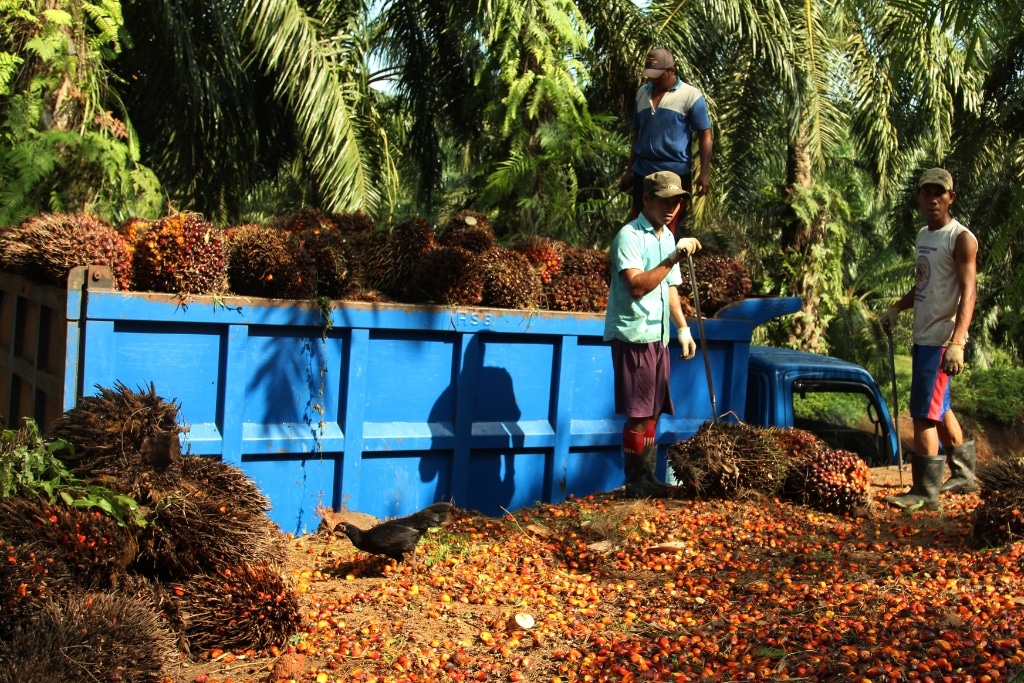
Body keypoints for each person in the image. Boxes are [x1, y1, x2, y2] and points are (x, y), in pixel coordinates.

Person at [881, 167, 979, 511]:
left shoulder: (960, 238)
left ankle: (926, 492)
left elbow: (969, 293)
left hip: (941, 341)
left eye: (941, 192)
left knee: (923, 413)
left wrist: (958, 342)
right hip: (924, 337)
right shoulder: (924, 236)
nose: (934, 198)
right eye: (928, 192)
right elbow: (924, 282)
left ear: (951, 197)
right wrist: (897, 307)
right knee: (941, 409)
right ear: (919, 197)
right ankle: (964, 475)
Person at [604, 170, 702, 498]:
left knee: (654, 409)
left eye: (677, 201)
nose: (672, 207)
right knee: (638, 411)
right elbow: (636, 286)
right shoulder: (629, 236)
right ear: (646, 199)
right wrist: (674, 257)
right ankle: (636, 481)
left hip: (658, 335)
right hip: (634, 334)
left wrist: (683, 328)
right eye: (665, 200)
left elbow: (670, 288)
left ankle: (647, 476)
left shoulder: (667, 236)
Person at [619, 47, 713, 235]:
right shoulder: (642, 94)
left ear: (672, 70)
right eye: (650, 75)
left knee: (668, 227)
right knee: (640, 225)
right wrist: (630, 170)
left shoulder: (691, 96)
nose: (653, 80)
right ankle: (640, 264)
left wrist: (704, 173)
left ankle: (667, 264)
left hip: (674, 174)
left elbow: (705, 135)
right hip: (643, 172)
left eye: (658, 75)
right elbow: (637, 134)